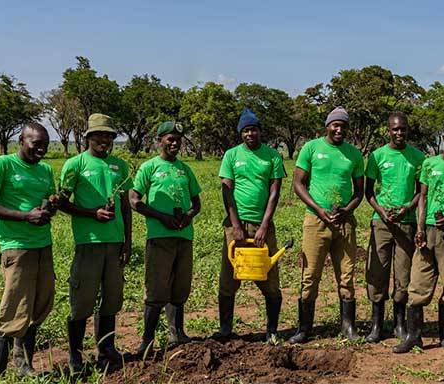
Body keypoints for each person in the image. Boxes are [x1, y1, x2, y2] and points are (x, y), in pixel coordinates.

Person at [0, 123, 56, 376]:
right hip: (17, 247)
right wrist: (25, 216)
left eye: (45, 144)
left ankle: (24, 366)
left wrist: (49, 208)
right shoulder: (2, 165)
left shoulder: (45, 170)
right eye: (36, 144)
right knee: (14, 307)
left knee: (39, 305)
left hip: (44, 245)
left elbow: (47, 203)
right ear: (21, 141)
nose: (41, 149)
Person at [57, 114, 132, 372]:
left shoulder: (120, 166)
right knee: (83, 300)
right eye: (99, 135)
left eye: (109, 136)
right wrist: (92, 214)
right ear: (88, 137)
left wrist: (128, 242)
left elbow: (125, 206)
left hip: (115, 243)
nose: (104, 140)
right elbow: (62, 202)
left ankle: (106, 349)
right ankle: (75, 355)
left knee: (112, 297)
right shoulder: (75, 164)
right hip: (88, 243)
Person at [289, 107, 365, 344]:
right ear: (328, 126)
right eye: (335, 125)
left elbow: (359, 191)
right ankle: (304, 328)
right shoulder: (311, 148)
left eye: (343, 125)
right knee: (310, 274)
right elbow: (298, 184)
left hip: (344, 222)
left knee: (347, 275)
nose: (339, 129)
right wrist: (319, 209)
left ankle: (348, 326)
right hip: (315, 220)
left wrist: (347, 210)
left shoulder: (354, 154)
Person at [128, 121, 202, 357]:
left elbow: (197, 202)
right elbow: (134, 200)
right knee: (156, 289)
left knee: (180, 287)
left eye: (178, 139)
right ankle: (147, 340)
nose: (174, 143)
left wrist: (188, 216)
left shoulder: (184, 169)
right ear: (158, 141)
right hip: (160, 237)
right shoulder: (149, 167)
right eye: (170, 139)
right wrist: (162, 217)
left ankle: (177, 333)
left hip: (184, 237)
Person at [397, 126, 444, 353]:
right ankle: (413, 336)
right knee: (418, 282)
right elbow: (423, 197)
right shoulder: (429, 164)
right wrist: (419, 228)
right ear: (443, 138)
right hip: (428, 232)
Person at [216, 108, 286, 341]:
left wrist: (265, 225)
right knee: (229, 277)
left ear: (259, 131)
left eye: (253, 130)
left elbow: (275, 192)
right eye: (246, 131)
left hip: (261, 224)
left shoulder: (273, 156)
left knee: (268, 277)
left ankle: (272, 331)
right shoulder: (231, 155)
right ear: (241, 134)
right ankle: (226, 329)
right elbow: (227, 192)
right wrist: (235, 226)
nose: (250, 134)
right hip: (235, 225)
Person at [363, 112, 425, 344]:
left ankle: (399, 324)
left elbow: (421, 192)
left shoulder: (418, 157)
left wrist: (407, 209)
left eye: (403, 129)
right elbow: (368, 192)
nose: (399, 133)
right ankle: (377, 325)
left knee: (403, 273)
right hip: (381, 223)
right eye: (395, 129)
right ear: (388, 130)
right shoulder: (377, 155)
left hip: (406, 223)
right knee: (377, 273)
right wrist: (381, 211)